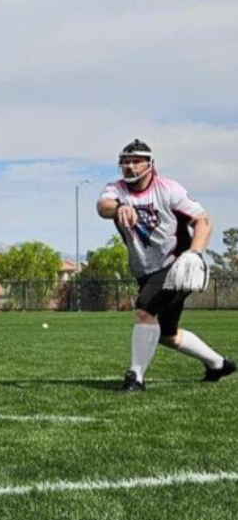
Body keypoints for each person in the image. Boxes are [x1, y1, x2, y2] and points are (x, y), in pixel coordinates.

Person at [96, 139, 236, 392]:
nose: (130, 166)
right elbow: (103, 206)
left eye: (136, 161)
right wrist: (120, 207)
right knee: (167, 334)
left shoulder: (169, 189)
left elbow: (203, 220)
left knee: (145, 311)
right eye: (125, 162)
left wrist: (195, 253)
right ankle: (218, 364)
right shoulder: (116, 190)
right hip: (145, 271)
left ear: (150, 164)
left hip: (176, 265)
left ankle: (135, 378)